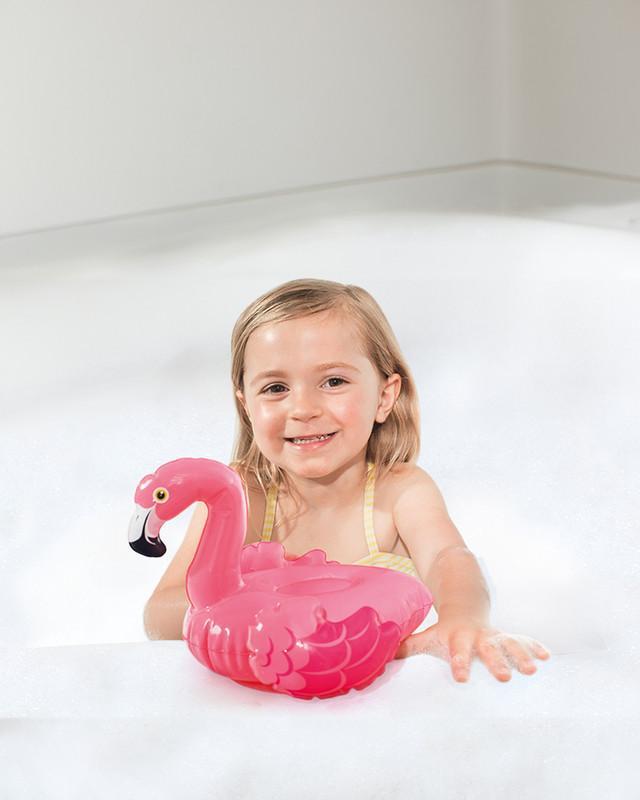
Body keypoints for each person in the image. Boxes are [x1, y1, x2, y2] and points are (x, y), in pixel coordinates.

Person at [143, 278, 551, 683]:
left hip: (382, 700)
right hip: (268, 700)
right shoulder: (242, 495)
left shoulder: (401, 492)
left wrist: (463, 618)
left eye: (333, 382)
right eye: (275, 388)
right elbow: (160, 615)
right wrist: (248, 601)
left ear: (384, 396)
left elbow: (449, 559)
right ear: (247, 406)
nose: (303, 408)